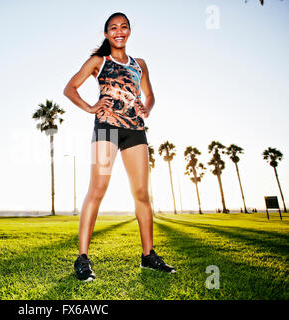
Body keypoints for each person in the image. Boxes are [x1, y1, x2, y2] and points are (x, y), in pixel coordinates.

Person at [63, 12, 176, 281]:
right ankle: (82, 259)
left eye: (123, 27)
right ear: (106, 34)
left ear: (129, 32)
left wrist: (145, 108)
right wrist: (91, 107)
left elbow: (150, 95)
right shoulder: (98, 61)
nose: (119, 31)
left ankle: (148, 256)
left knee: (141, 193)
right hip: (107, 129)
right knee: (98, 189)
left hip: (135, 131)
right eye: (113, 28)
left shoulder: (140, 65)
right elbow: (70, 88)